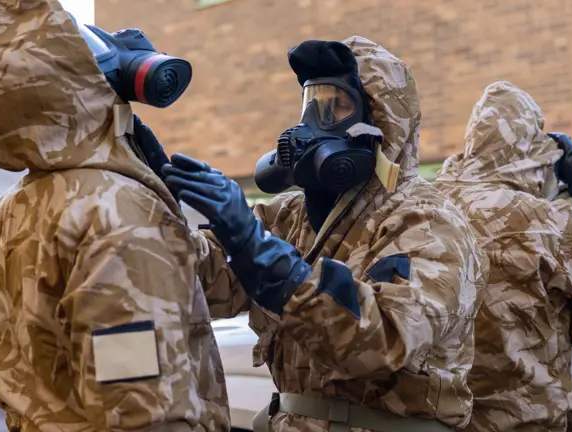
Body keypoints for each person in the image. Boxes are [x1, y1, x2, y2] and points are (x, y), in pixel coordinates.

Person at [163, 37, 487, 431]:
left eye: (337, 107)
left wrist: (261, 252)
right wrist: (144, 188)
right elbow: (203, 285)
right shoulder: (290, 216)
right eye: (311, 104)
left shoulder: (428, 224)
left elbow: (381, 341)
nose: (312, 124)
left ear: (381, 123)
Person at [0, 1, 227, 430]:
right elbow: (145, 415)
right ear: (57, 72)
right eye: (77, 41)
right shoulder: (118, 212)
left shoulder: (4, 214)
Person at [434, 81, 572, 431]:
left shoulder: (425, 206)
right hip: (520, 422)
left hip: (438, 421)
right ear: (531, 148)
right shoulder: (542, 221)